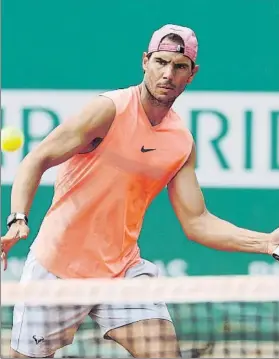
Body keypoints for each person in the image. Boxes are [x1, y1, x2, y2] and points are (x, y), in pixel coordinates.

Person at [1, 23, 279, 358]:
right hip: (57, 268)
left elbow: (197, 222)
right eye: (160, 62)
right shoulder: (108, 111)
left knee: (164, 353)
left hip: (122, 271)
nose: (168, 74)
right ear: (145, 61)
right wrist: (18, 219)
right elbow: (36, 159)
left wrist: (266, 243)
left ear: (192, 74)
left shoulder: (181, 143)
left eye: (179, 67)